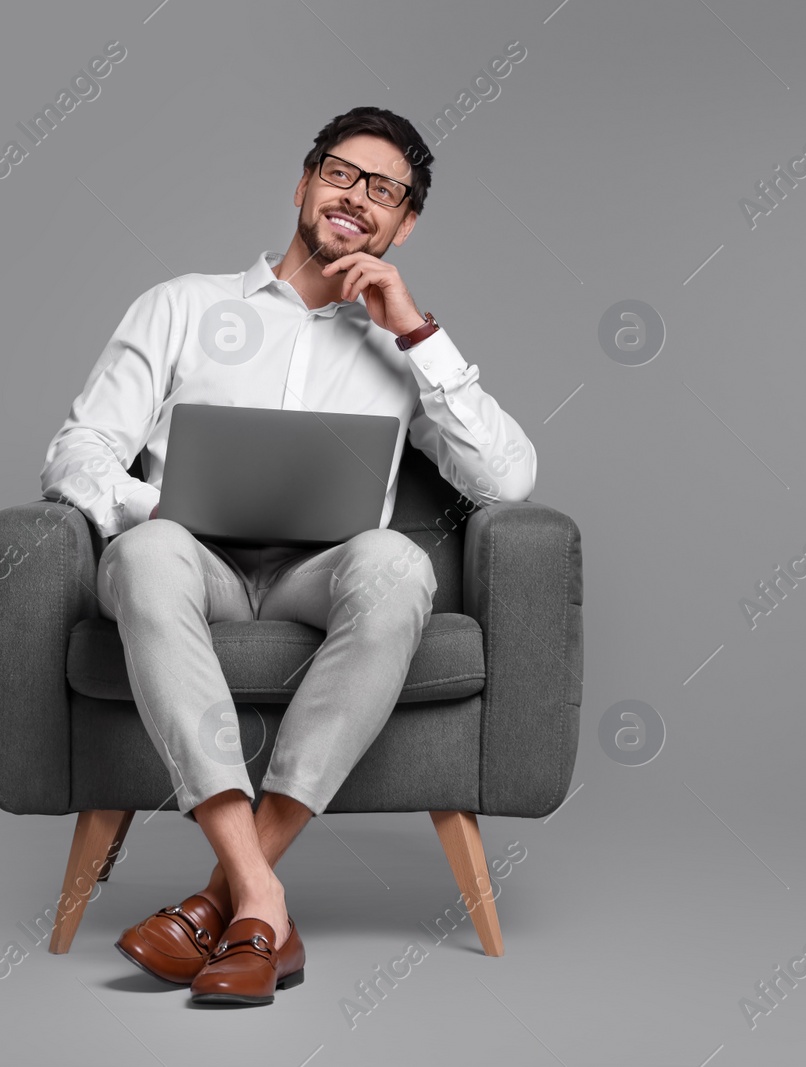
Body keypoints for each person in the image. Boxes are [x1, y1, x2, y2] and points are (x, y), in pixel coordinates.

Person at [39, 106, 537, 1006]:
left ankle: (223, 896)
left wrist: (418, 333)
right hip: (198, 569)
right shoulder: (183, 305)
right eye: (345, 174)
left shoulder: (399, 347)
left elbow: (508, 479)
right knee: (149, 552)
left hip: (320, 580)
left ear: (405, 223)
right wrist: (165, 507)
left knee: (396, 565)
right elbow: (77, 452)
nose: (359, 200)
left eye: (387, 192)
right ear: (306, 179)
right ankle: (263, 901)